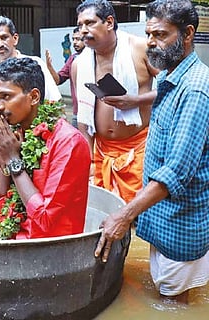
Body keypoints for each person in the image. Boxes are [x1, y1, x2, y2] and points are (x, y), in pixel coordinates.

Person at [95, 0, 209, 304]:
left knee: (174, 302)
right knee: (165, 294)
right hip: (163, 218)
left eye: (160, 34)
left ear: (186, 35)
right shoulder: (172, 77)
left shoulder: (196, 90)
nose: (150, 42)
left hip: (180, 224)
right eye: (148, 34)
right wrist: (135, 98)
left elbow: (176, 172)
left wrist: (124, 214)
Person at [0, 57, 91, 240]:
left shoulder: (68, 142)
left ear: (34, 97)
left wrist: (13, 161)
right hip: (11, 240)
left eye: (6, 96)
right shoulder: (12, 134)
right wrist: (3, 159)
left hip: (49, 250)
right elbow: (0, 201)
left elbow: (46, 218)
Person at [72, 0, 159, 203]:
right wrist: (91, 162)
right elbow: (83, 122)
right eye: (80, 25)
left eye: (90, 23)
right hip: (101, 152)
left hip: (141, 148)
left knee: (141, 216)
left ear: (109, 22)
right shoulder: (79, 64)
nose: (83, 30)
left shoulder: (141, 48)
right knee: (107, 212)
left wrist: (135, 100)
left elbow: (172, 87)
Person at [0, 16, 61, 112]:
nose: (0, 44)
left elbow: (54, 101)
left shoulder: (36, 64)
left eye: (4, 37)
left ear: (15, 39)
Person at [45, 27, 85, 127]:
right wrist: (49, 66)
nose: (75, 42)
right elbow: (58, 80)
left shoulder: (96, 57)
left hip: (95, 113)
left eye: (79, 39)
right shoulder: (72, 59)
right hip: (78, 113)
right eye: (73, 39)